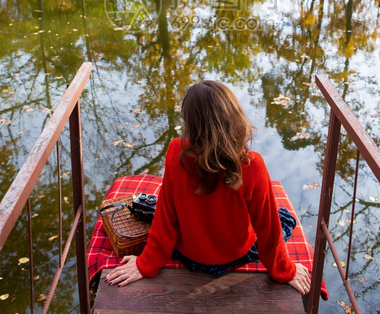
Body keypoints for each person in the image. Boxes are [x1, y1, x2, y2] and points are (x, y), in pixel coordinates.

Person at [106, 80, 311, 295]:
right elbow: (268, 230)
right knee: (284, 217)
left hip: (190, 258)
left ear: (190, 123)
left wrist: (145, 264)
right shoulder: (252, 165)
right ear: (234, 118)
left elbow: (165, 217)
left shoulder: (176, 152)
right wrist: (285, 270)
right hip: (235, 256)